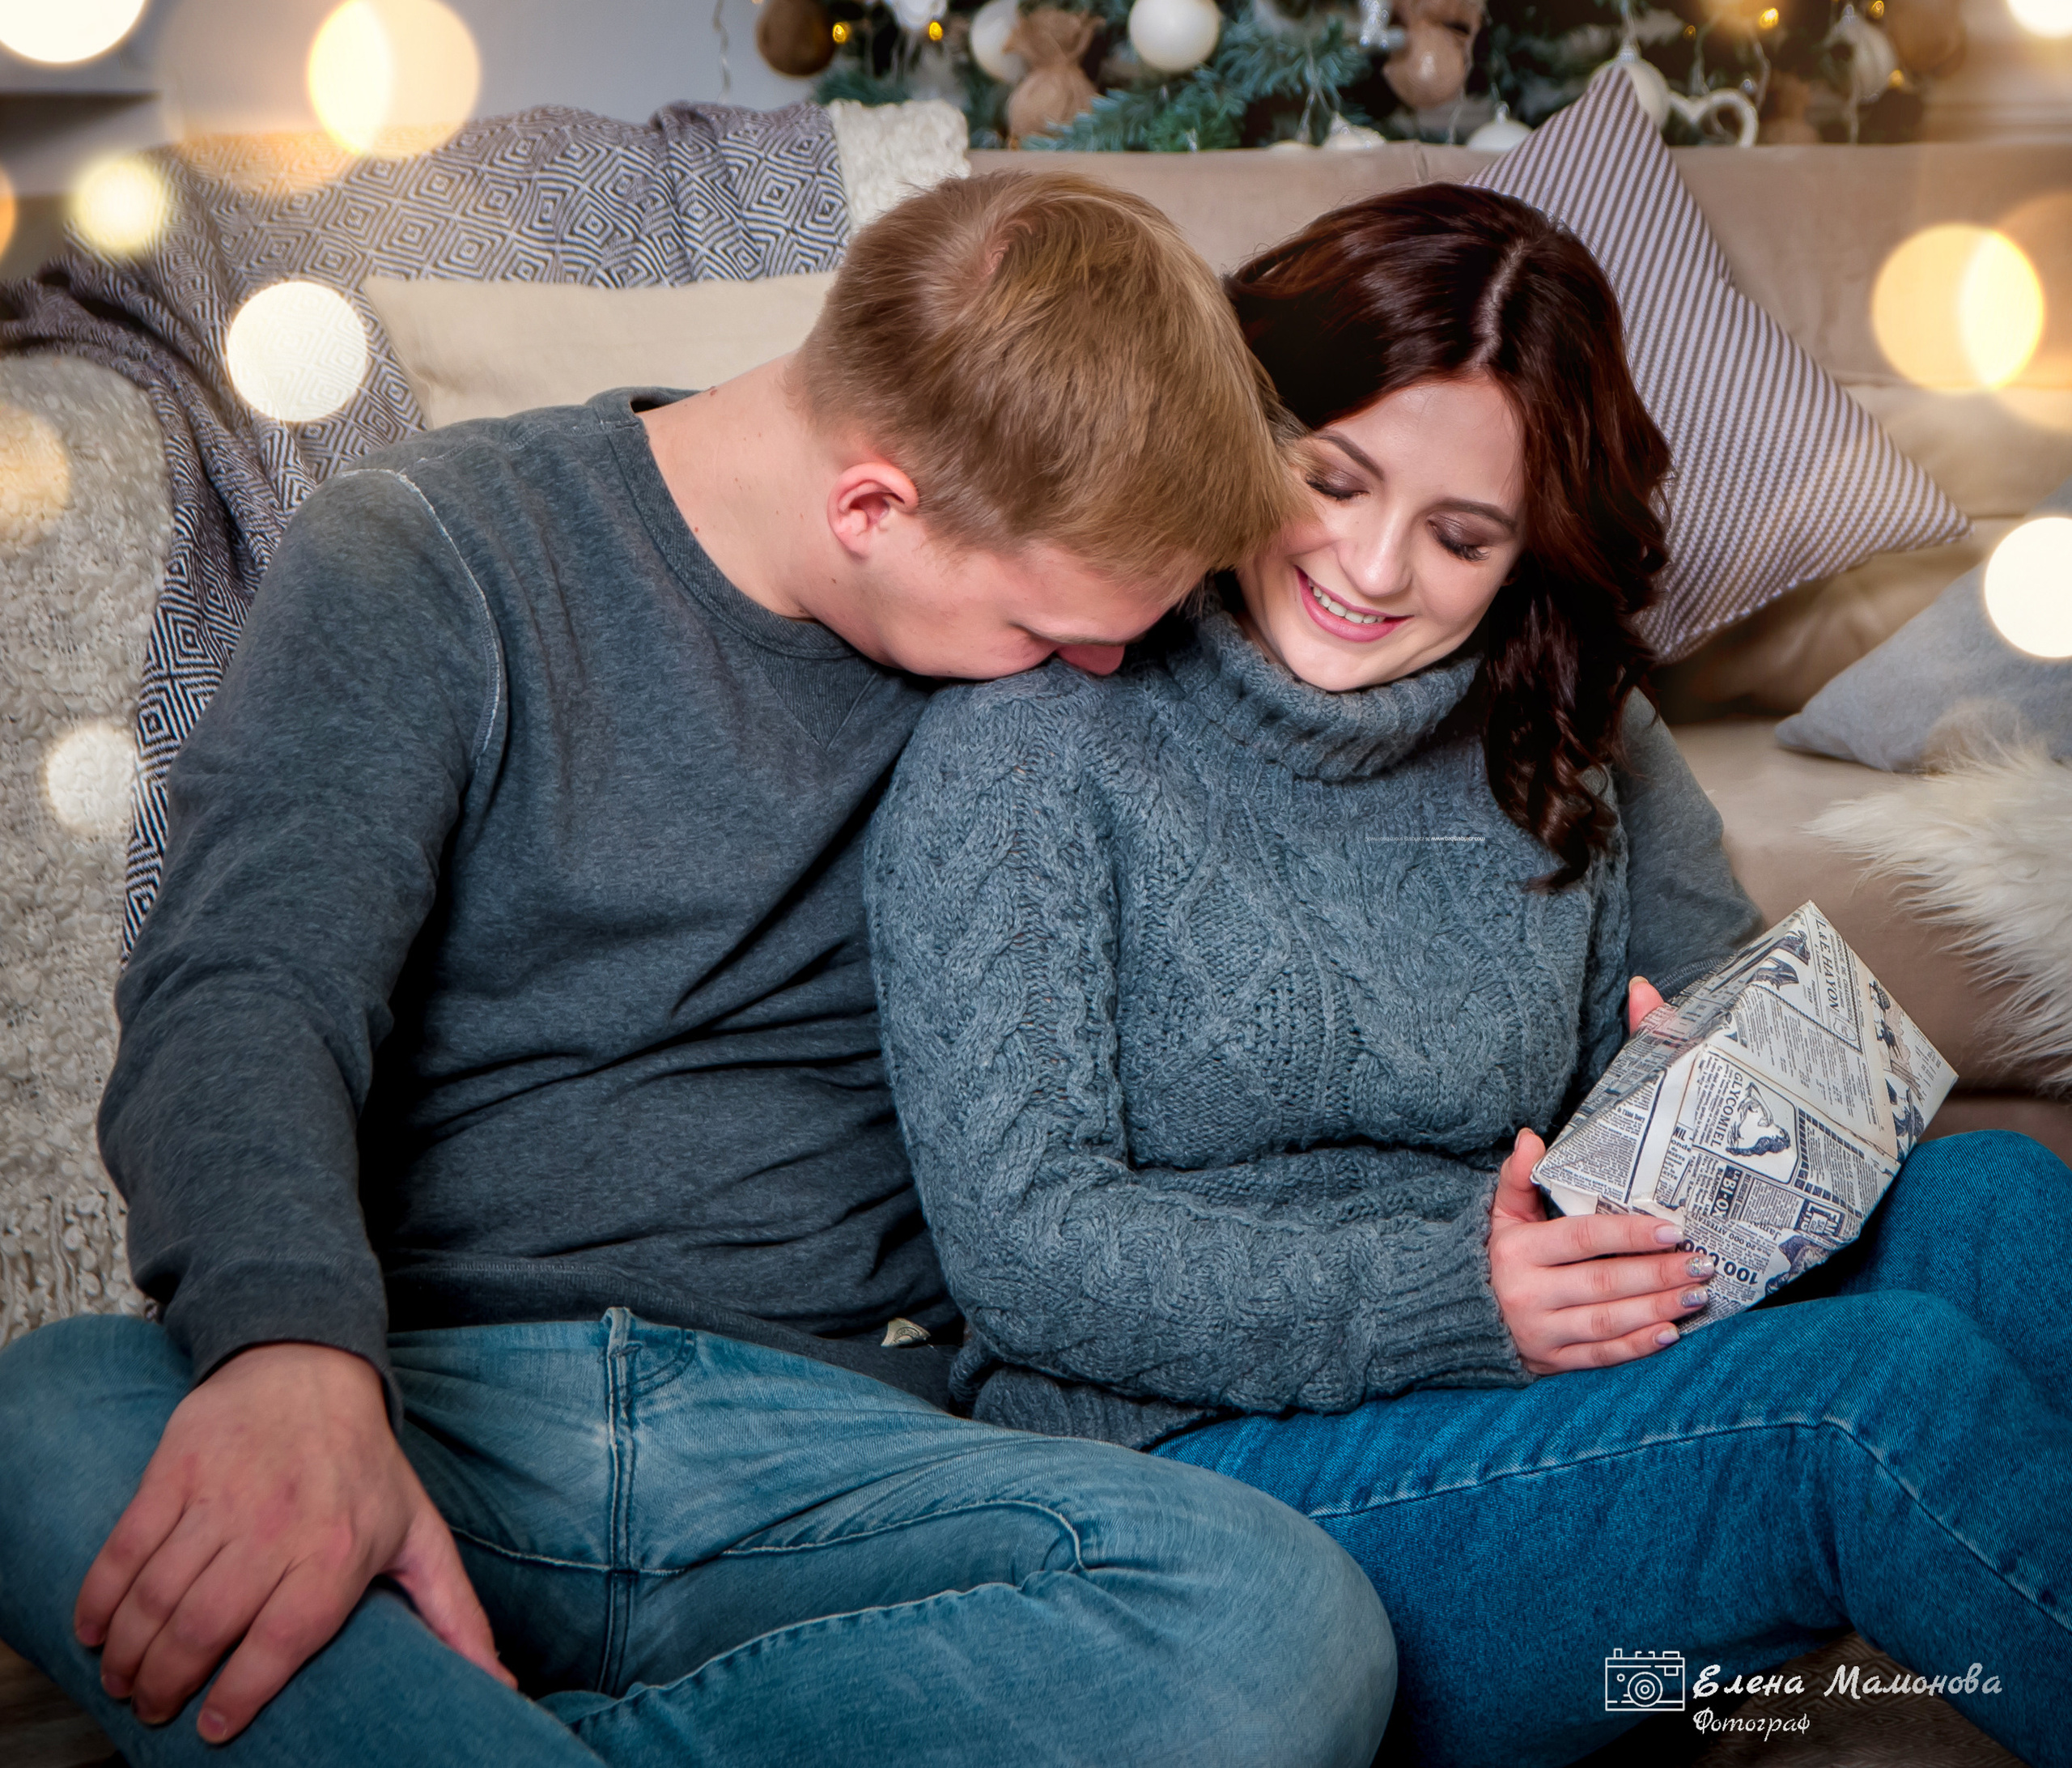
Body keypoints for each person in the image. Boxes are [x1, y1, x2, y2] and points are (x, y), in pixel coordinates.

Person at [0, 172, 1397, 1767]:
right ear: (871, 510)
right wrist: (293, 1362)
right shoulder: (428, 552)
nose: (1099, 673)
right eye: (1045, 629)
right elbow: (244, 986)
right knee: (52, 1418)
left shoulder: (1043, 670)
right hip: (433, 1395)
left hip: (830, 1456)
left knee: (1280, 1622)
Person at [866, 183, 2072, 1768]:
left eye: (1459, 535)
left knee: (1992, 1199)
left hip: (1541, 1373)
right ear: (1243, 423)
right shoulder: (1032, 749)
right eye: (1330, 479)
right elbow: (1023, 1249)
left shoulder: (1572, 726)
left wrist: (1717, 1100)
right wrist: (1460, 1297)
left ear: (1526, 551)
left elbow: (1749, 1026)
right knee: (1862, 1401)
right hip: (1204, 1471)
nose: (1371, 568)